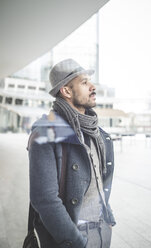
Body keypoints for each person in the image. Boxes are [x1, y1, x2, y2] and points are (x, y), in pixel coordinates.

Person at [28, 58, 116, 248]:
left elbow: (102, 183)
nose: (93, 87)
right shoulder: (46, 133)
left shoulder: (98, 133)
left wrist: (108, 219)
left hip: (102, 232)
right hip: (71, 239)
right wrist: (76, 242)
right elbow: (44, 200)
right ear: (66, 91)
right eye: (84, 82)